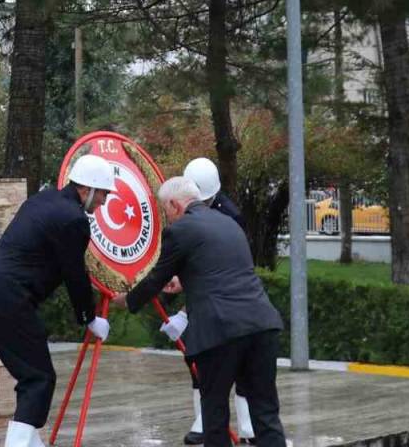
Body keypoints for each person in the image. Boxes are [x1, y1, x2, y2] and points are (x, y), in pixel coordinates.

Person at [114, 177, 286, 447]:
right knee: (266, 412)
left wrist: (127, 300)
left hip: (220, 331)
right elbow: (224, 269)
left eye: (165, 210)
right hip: (261, 324)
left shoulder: (181, 229)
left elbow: (154, 279)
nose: (167, 218)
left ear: (174, 204)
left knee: (214, 414)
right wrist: (185, 280)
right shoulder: (228, 222)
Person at [0, 154, 116, 447]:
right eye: (104, 193)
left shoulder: (42, 200)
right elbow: (75, 275)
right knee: (38, 379)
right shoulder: (73, 220)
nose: (105, 202)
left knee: (33, 376)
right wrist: (90, 318)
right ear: (87, 189)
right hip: (9, 299)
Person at [175, 157, 255, 444]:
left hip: (230, 298)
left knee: (240, 364)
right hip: (206, 297)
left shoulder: (230, 216)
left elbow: (222, 265)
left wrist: (183, 305)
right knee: (197, 356)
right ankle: (202, 419)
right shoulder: (193, 211)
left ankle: (248, 426)